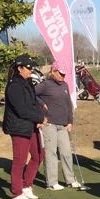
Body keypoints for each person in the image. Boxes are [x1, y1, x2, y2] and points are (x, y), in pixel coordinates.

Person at [1, 54, 45, 199]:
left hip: (30, 125)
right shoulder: (14, 85)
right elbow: (22, 109)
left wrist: (40, 117)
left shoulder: (27, 83)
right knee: (20, 160)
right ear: (19, 68)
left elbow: (32, 104)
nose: (30, 70)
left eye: (31, 68)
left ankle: (26, 186)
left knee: (39, 155)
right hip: (18, 126)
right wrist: (39, 118)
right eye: (28, 68)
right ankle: (17, 193)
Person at [34, 61, 83, 190]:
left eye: (64, 74)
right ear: (53, 72)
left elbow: (68, 104)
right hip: (49, 124)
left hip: (63, 124)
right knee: (51, 153)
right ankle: (51, 182)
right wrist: (41, 103)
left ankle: (70, 180)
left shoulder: (65, 85)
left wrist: (70, 121)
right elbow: (31, 94)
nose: (62, 76)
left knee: (66, 152)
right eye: (60, 73)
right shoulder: (45, 84)